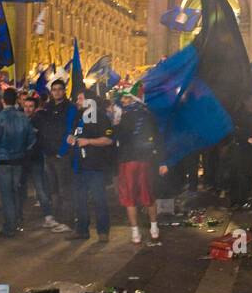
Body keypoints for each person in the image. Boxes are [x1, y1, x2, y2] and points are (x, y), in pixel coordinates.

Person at [112, 89, 164, 244]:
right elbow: (157, 138)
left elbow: (119, 138)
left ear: (134, 99)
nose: (123, 101)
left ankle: (135, 233)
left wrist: (116, 124)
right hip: (146, 160)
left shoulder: (124, 116)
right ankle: (154, 230)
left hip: (128, 161)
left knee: (130, 197)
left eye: (126, 98)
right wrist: (162, 160)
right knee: (148, 195)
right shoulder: (148, 115)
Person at [0, 87, 35, 237]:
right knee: (16, 193)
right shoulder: (23, 118)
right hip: (19, 160)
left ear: (2, 100)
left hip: (3, 161)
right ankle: (17, 221)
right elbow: (32, 139)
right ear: (17, 100)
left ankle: (9, 227)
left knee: (6, 195)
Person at [66, 88, 113, 241]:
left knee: (99, 199)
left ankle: (103, 231)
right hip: (78, 165)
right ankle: (81, 229)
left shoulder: (100, 117)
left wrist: (89, 142)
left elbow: (108, 140)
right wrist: (72, 139)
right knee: (79, 199)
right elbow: (76, 134)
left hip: (95, 166)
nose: (77, 102)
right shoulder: (79, 117)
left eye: (80, 99)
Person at [36, 79, 75, 232]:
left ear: (64, 91)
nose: (57, 92)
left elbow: (71, 129)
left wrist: (62, 151)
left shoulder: (70, 107)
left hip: (62, 155)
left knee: (65, 189)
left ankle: (68, 221)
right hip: (49, 155)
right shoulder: (48, 107)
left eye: (59, 89)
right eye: (54, 90)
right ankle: (57, 219)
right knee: (53, 190)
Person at [21, 94, 54, 228]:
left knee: (40, 188)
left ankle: (48, 215)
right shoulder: (22, 120)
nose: (28, 109)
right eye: (26, 106)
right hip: (24, 159)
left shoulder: (38, 120)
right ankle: (19, 217)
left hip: (35, 159)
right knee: (23, 189)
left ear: (35, 108)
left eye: (31, 107)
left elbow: (40, 139)